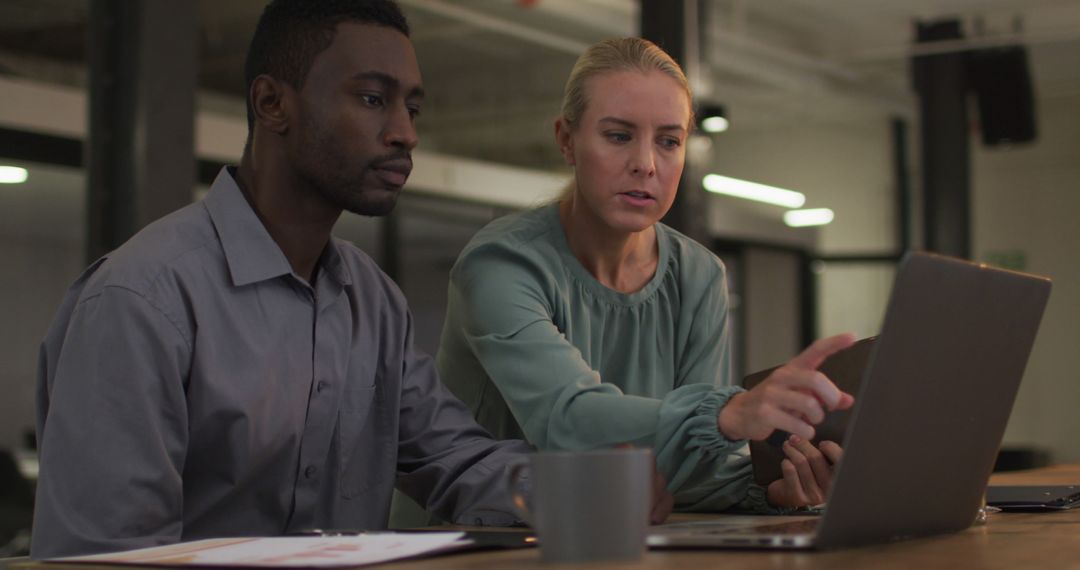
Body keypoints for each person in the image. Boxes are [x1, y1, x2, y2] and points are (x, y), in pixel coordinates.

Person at [31, 0, 541, 558]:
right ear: (273, 104)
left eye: (412, 109)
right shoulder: (142, 300)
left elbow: (459, 462)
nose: (404, 134)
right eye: (373, 99)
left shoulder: (372, 303)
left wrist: (613, 486)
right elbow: (105, 556)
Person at [436, 37, 854, 513]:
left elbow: (692, 469)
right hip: (477, 541)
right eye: (618, 135)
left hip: (618, 536)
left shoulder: (698, 275)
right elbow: (566, 422)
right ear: (566, 140)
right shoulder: (500, 265)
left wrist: (772, 491)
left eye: (669, 141)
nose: (646, 164)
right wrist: (726, 415)